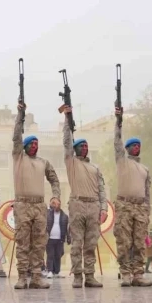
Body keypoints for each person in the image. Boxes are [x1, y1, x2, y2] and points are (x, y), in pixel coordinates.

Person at [13, 103, 61, 290]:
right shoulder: (19, 158)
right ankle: (22, 277)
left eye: (36, 144)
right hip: (23, 205)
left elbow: (54, 179)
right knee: (23, 242)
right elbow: (16, 137)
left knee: (39, 243)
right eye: (31, 144)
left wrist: (55, 195)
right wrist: (20, 114)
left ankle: (36, 276)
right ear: (24, 147)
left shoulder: (43, 162)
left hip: (39, 207)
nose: (34, 146)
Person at [62, 105, 107, 289]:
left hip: (94, 206)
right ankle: (77, 276)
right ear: (76, 148)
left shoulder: (95, 168)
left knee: (91, 243)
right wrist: (67, 119)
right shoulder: (71, 163)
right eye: (81, 145)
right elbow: (66, 143)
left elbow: (102, 189)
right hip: (77, 205)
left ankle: (90, 275)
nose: (85, 148)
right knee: (76, 244)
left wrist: (103, 208)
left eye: (87, 146)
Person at [112, 106, 152, 287]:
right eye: (133, 145)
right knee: (124, 241)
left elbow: (148, 192)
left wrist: (147, 210)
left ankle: (138, 273)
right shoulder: (122, 162)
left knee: (139, 242)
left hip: (141, 207)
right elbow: (117, 142)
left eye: (138, 145)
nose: (136, 147)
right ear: (127, 149)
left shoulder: (145, 169)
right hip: (125, 206)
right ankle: (126, 273)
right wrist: (119, 121)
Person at [45, 197, 68, 279]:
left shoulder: (65, 216)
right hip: (49, 238)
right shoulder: (47, 214)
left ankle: (57, 271)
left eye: (57, 203)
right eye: (53, 203)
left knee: (58, 255)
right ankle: (50, 271)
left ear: (60, 204)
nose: (55, 205)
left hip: (60, 239)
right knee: (50, 255)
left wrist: (68, 238)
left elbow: (67, 228)